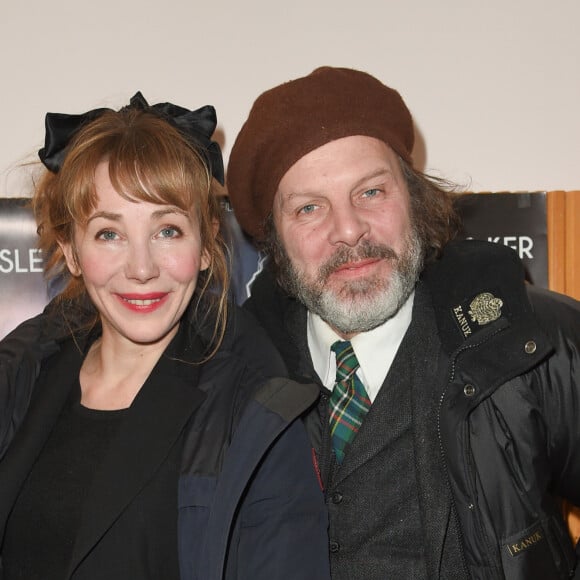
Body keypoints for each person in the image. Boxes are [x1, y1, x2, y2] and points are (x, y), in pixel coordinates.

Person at [225, 66, 580, 579]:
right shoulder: (235, 381)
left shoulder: (532, 339)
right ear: (275, 242)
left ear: (412, 198)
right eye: (308, 208)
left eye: (370, 192)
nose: (348, 230)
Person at [0, 93, 330, 579]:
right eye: (109, 234)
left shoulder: (257, 416)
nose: (141, 268)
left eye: (168, 231)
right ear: (71, 250)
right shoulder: (22, 376)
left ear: (204, 244)